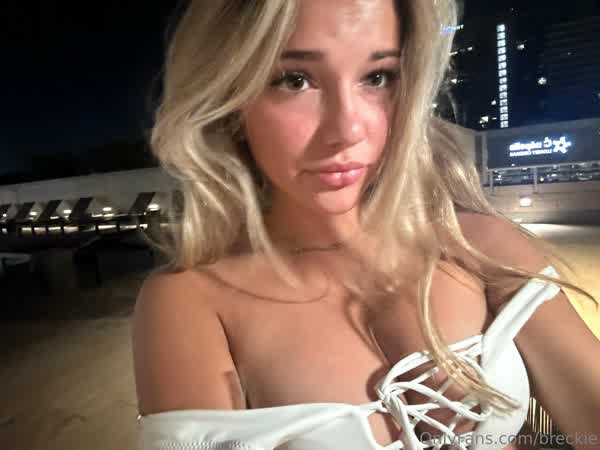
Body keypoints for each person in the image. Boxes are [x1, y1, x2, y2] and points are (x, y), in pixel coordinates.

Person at [131, 1, 600, 449]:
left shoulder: (478, 245)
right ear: (229, 98)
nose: (347, 130)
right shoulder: (193, 300)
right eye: (294, 80)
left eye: (377, 77)